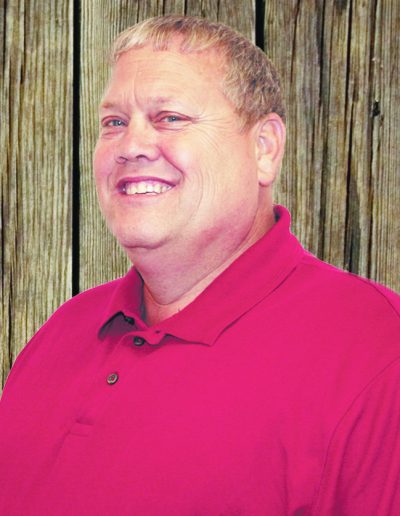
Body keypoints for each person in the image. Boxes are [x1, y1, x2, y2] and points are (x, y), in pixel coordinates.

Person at [0, 14, 399, 516]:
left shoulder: (376, 351)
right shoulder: (62, 332)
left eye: (170, 117)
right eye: (114, 123)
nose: (130, 147)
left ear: (264, 148)